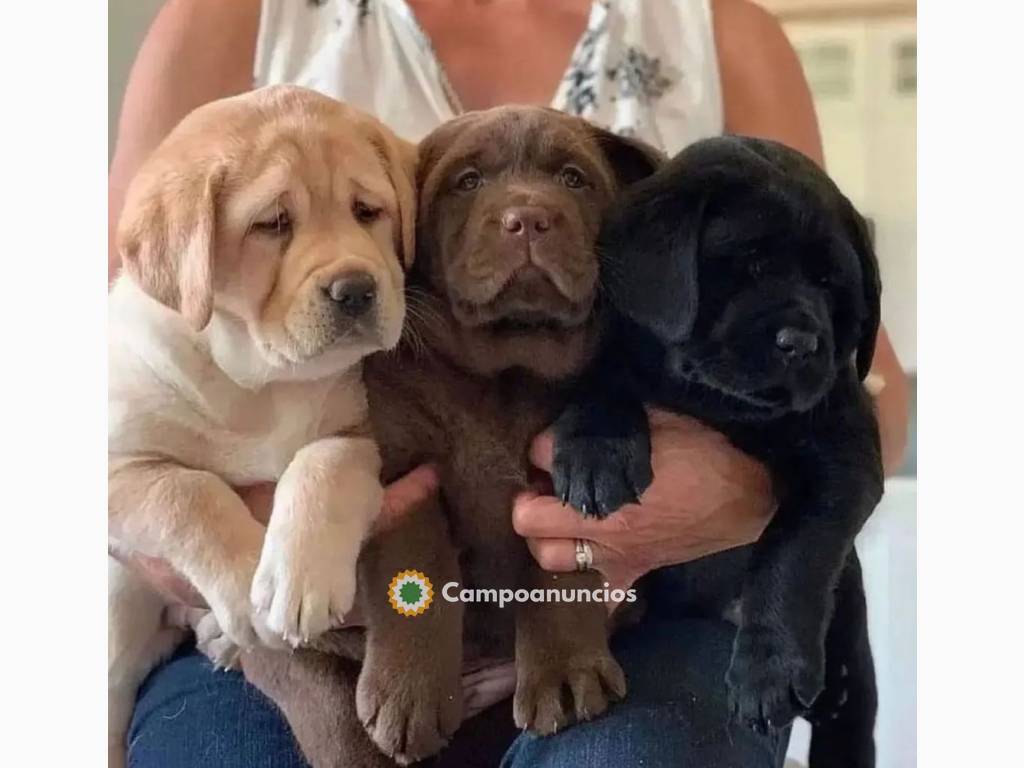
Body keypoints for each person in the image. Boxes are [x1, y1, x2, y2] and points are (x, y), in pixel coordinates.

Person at [109, 1, 910, 766]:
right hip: (276, 625)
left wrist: (744, 491)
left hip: (645, 615)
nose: (524, 212)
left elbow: (856, 368)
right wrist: (244, 549)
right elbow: (115, 363)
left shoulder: (720, 31)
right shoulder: (229, 18)